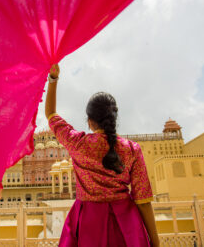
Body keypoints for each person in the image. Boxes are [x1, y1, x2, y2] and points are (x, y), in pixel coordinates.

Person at [45, 64, 159, 247]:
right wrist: (155, 242)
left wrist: (53, 78)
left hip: (89, 224)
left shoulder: (78, 144)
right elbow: (143, 201)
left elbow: (50, 114)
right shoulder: (132, 149)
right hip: (127, 225)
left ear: (90, 122)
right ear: (114, 119)